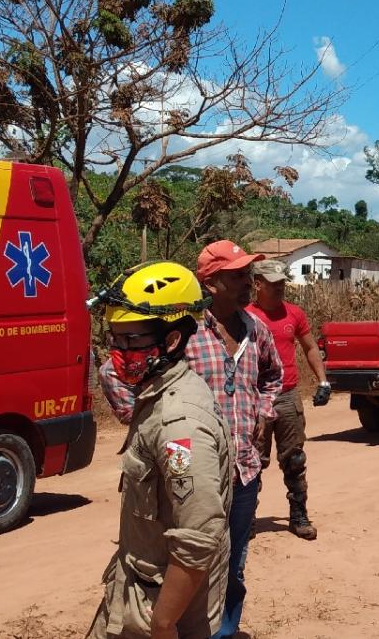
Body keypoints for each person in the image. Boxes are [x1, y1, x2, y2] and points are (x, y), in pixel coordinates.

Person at [101, 241, 284, 639]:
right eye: (236, 276)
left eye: (247, 275)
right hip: (184, 467)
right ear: (210, 283)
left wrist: (264, 413)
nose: (246, 283)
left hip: (242, 470)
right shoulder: (177, 332)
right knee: (181, 557)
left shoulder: (256, 329)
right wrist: (146, 422)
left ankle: (223, 628)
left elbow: (274, 376)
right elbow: (112, 372)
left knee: (229, 563)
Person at [87, 262, 233, 639]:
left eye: (131, 341)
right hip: (141, 588)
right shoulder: (157, 394)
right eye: (115, 340)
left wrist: (163, 623)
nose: (120, 352)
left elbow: (199, 533)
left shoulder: (178, 425)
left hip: (159, 609)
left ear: (170, 341)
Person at [246, 259, 331, 540]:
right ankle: (245, 520)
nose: (281, 287)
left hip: (287, 395)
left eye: (283, 282)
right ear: (258, 284)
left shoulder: (294, 313)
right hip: (254, 398)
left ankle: (298, 516)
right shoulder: (244, 316)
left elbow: (310, 348)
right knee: (252, 461)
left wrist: (323, 381)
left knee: (294, 459)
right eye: (274, 283)